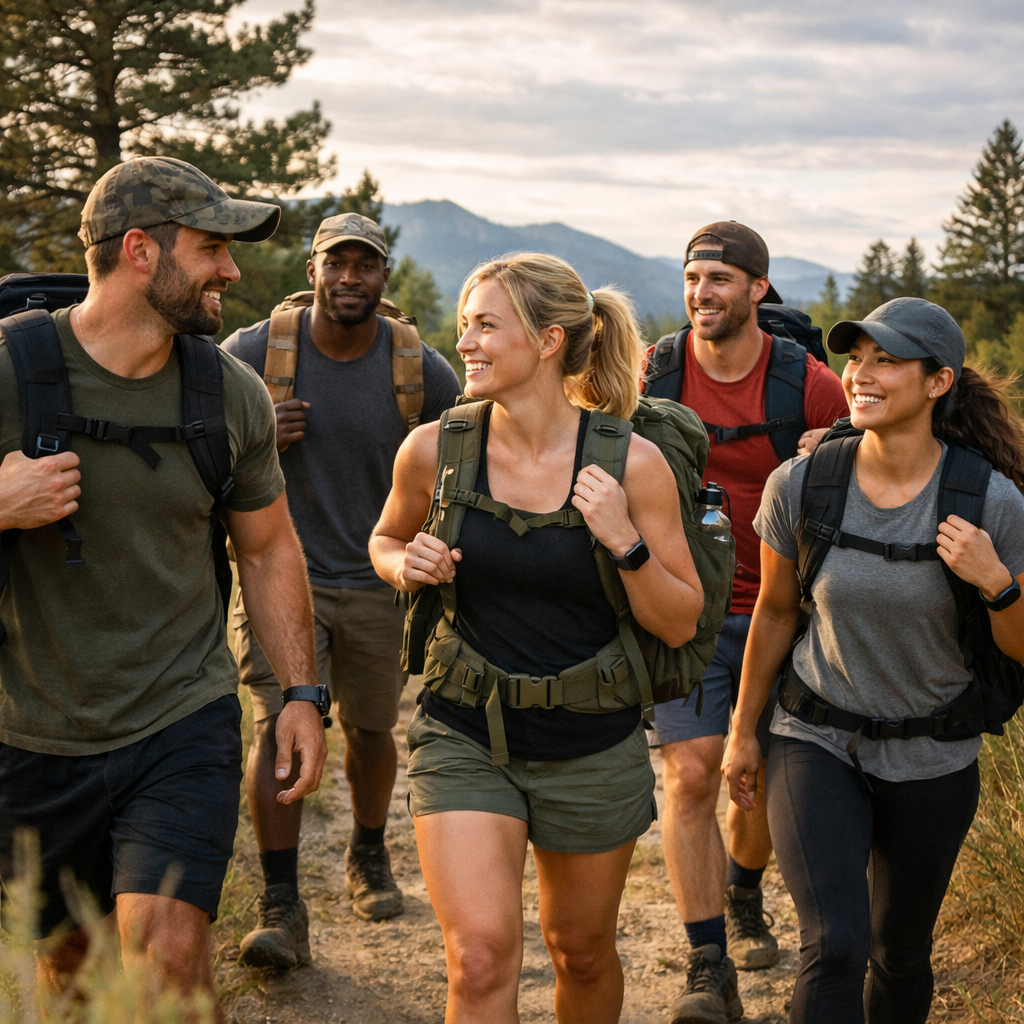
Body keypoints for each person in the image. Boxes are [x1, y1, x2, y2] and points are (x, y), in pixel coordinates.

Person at [0, 158, 328, 1016]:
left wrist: (299, 691)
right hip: (29, 728)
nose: (230, 269)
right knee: (74, 976)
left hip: (180, 715)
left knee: (170, 965)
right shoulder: (5, 372)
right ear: (140, 251)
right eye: (213, 247)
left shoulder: (231, 394)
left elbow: (266, 550)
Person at [369, 252, 704, 1023]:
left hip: (589, 742)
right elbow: (384, 539)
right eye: (465, 326)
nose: (467, 344)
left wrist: (625, 541)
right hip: (463, 731)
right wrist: (403, 561)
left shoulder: (633, 465)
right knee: (481, 958)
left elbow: (680, 619)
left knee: (579, 952)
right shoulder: (434, 449)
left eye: (487, 326)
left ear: (550, 341)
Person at [723, 297, 1024, 1023]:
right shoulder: (802, 485)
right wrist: (742, 732)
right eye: (856, 357)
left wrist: (998, 584)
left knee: (900, 953)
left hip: (934, 758)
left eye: (886, 360)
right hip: (814, 738)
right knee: (834, 944)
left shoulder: (992, 502)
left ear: (938, 382)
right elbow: (775, 611)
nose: (861, 374)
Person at [222, 213, 460, 964]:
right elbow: (199, 454)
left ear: (384, 276)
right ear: (313, 268)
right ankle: (281, 901)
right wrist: (256, 431)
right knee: (278, 721)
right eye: (338, 264)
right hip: (279, 571)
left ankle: (367, 850)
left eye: (366, 265)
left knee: (367, 729)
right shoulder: (255, 355)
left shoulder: (421, 368)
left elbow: (469, 466)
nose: (351, 278)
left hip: (379, 581)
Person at [644, 222, 848, 1022]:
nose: (703, 293)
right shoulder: (657, 372)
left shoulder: (810, 383)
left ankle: (743, 888)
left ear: (758, 290)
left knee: (752, 778)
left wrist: (833, 449)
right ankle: (706, 962)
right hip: (686, 609)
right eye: (693, 277)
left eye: (721, 279)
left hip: (784, 611)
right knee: (690, 770)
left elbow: (877, 464)